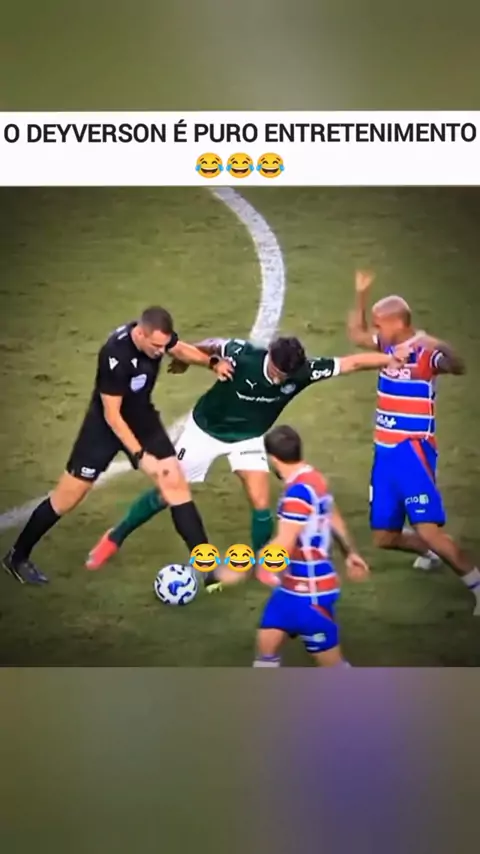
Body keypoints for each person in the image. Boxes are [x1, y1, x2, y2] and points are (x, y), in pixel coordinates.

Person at [86, 333, 410, 590]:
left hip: (249, 436)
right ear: (269, 358)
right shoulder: (244, 356)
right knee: (166, 492)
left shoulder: (304, 371)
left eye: (286, 376)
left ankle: (264, 565)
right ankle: (114, 538)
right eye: (278, 373)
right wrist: (191, 359)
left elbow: (351, 363)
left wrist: (389, 358)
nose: (281, 380)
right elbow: (213, 344)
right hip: (205, 430)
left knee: (260, 499)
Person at [2, 306, 233, 586]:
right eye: (157, 346)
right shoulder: (115, 355)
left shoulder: (158, 339)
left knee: (174, 483)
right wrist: (141, 455)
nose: (162, 352)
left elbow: (179, 348)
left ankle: (207, 568)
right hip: (104, 428)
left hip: (142, 419)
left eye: (164, 345)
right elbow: (112, 416)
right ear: (141, 334)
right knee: (67, 498)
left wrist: (212, 363)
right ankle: (17, 557)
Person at [348, 270, 480, 616]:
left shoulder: (424, 353)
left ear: (397, 322)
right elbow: (356, 334)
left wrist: (434, 342)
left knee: (429, 529)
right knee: (385, 537)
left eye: (380, 324)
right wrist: (360, 295)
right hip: (385, 453)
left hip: (413, 451)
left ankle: (476, 584)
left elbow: (458, 365)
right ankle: (430, 553)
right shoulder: (387, 345)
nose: (376, 330)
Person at [253, 425, 369, 667]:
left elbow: (285, 542)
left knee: (332, 666)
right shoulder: (314, 478)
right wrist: (350, 553)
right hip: (290, 588)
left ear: (273, 459)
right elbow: (333, 516)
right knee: (266, 646)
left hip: (309, 593)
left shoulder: (297, 494)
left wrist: (262, 564)